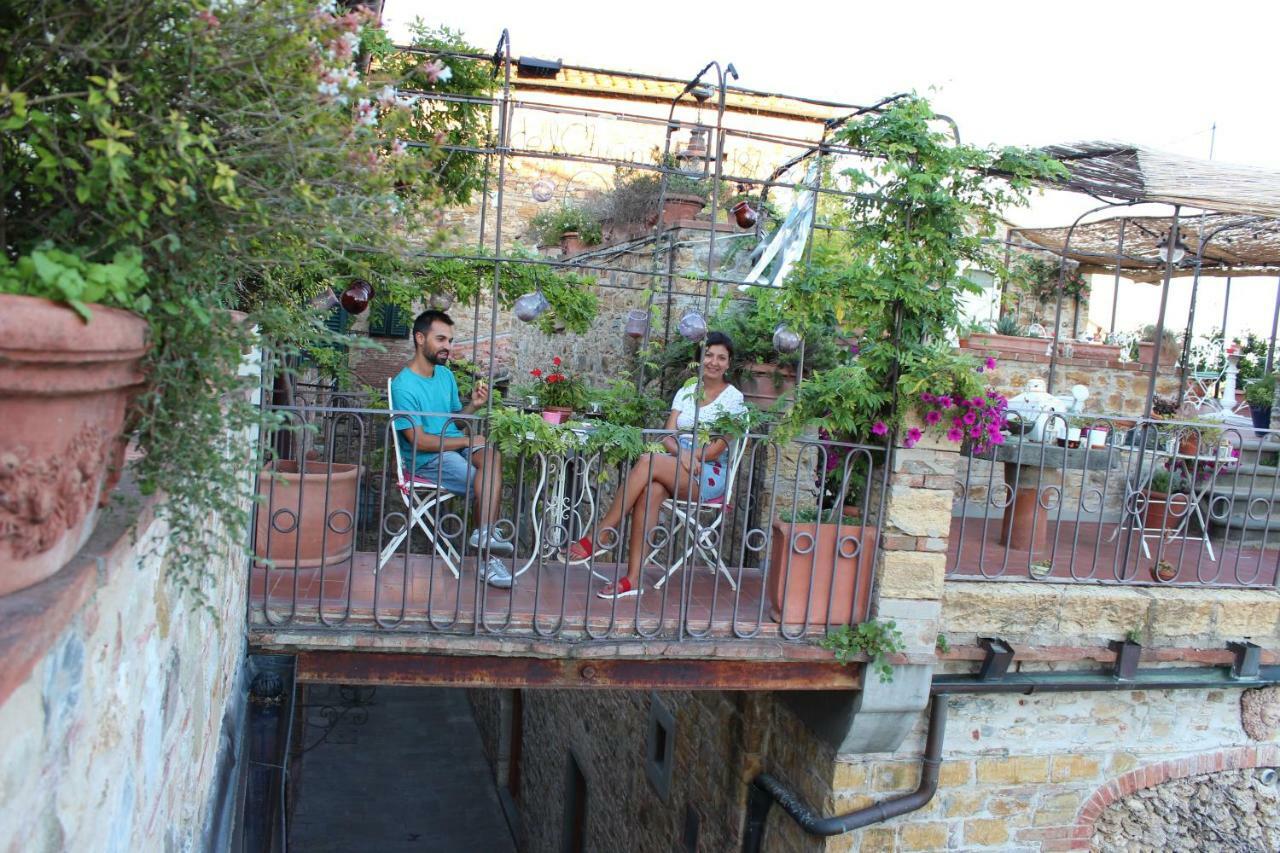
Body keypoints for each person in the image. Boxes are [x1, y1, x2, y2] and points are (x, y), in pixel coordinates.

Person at [568, 331, 745, 598]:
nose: (714, 362)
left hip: (707, 473)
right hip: (676, 464)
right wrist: (682, 455)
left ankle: (602, 533)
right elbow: (668, 435)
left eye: (721, 358)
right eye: (708, 355)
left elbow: (716, 449)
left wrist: (689, 456)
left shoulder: (734, 399)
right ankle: (633, 579)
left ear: (729, 363)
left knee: (648, 460)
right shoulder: (688, 390)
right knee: (650, 491)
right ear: (699, 358)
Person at [390, 309, 513, 589]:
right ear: (420, 338)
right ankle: (487, 558)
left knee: (491, 458)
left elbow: (454, 420)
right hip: (425, 458)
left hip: (454, 447)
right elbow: (419, 440)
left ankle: (484, 538)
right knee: (483, 482)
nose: (448, 346)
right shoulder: (403, 386)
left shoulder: (445, 376)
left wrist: (473, 406)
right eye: (441, 339)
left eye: (450, 340)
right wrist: (468, 442)